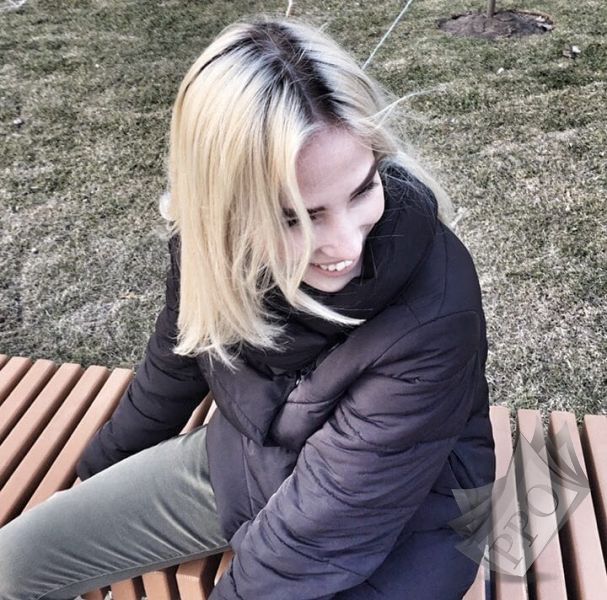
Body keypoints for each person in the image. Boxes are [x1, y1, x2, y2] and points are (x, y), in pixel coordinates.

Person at [0, 14, 496, 600]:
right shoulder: (211, 246)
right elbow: (177, 359)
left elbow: (321, 533)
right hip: (250, 463)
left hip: (406, 516)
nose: (345, 245)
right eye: (296, 217)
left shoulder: (435, 312)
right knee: (14, 566)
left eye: (363, 188)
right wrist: (99, 474)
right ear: (222, 211)